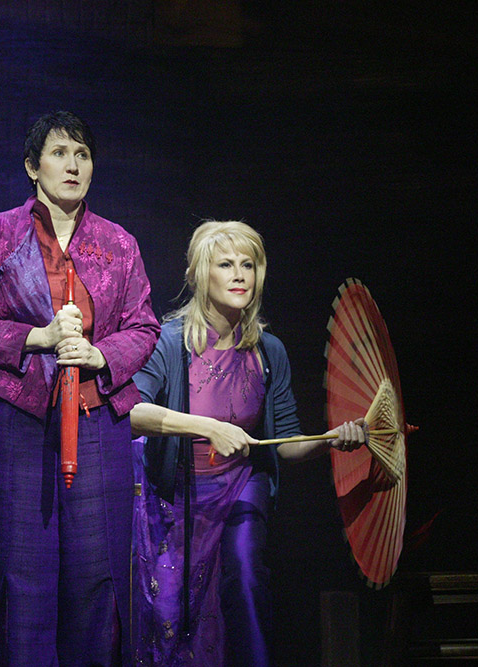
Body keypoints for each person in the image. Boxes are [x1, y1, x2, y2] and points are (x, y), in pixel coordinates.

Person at [0, 111, 161, 665]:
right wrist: (37, 337)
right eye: (60, 152)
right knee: (23, 577)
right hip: (16, 423)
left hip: (96, 424)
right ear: (31, 166)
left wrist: (98, 353)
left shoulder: (118, 243)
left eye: (83, 154)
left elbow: (144, 326)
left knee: (96, 574)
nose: (72, 164)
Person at [130, 220, 368, 666]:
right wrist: (206, 425)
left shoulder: (268, 350)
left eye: (248, 264)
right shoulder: (168, 342)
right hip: (175, 495)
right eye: (225, 264)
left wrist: (331, 440)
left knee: (245, 576)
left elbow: (286, 444)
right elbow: (129, 414)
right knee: (169, 613)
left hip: (241, 484)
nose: (240, 274)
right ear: (201, 274)